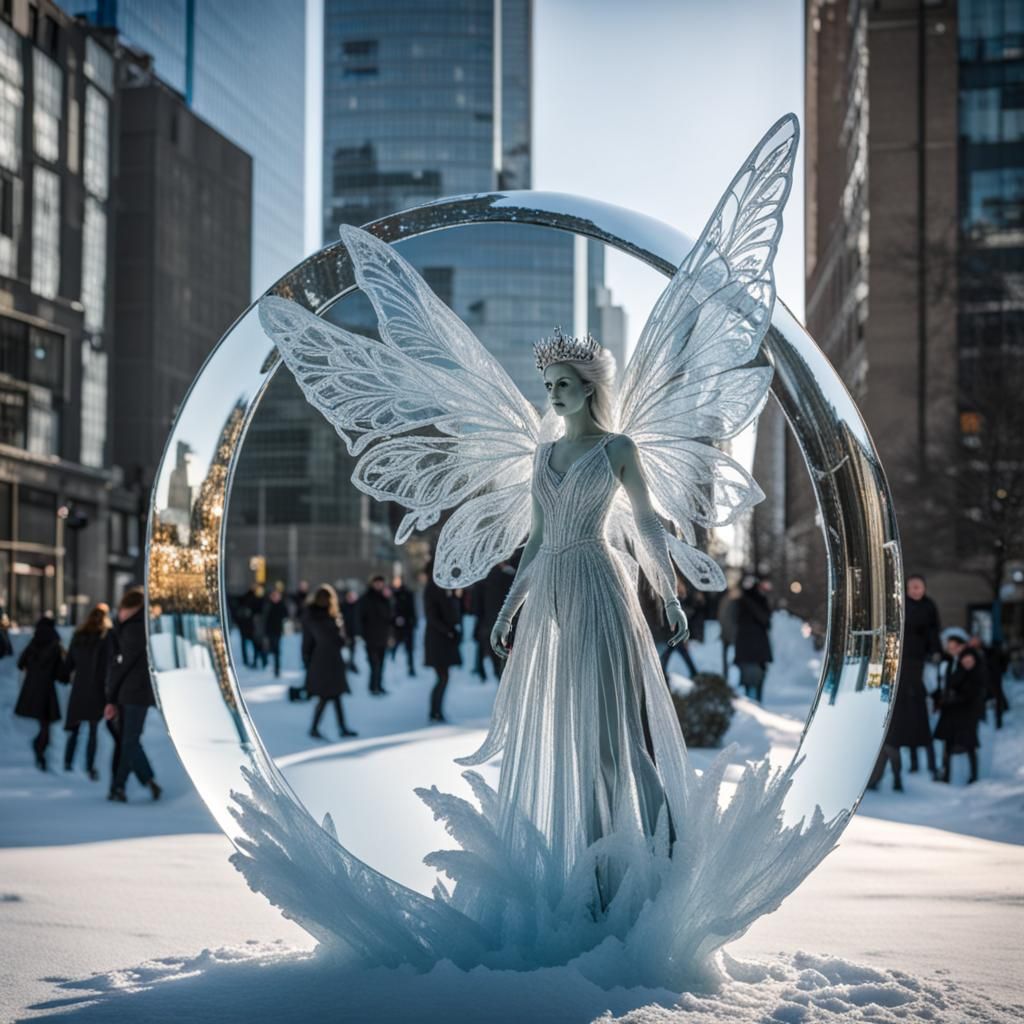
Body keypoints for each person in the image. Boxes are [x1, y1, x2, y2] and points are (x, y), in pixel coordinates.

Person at [105, 587, 162, 802]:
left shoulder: (135, 629)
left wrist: (110, 698)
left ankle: (118, 787)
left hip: (132, 694)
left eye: (122, 608)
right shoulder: (138, 626)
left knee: (128, 741)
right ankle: (147, 780)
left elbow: (122, 665)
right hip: (133, 694)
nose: (119, 613)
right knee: (129, 740)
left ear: (132, 608)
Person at [60, 603, 113, 779]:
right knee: (93, 730)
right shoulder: (106, 637)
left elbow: (68, 666)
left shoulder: (78, 636)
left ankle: (67, 764)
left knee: (75, 728)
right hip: (97, 689)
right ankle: (90, 767)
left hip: (79, 688)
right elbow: (109, 665)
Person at [302, 584, 357, 739]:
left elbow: (307, 642)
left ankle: (339, 727)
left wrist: (306, 660)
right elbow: (334, 639)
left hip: (325, 660)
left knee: (334, 696)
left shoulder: (318, 616)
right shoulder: (323, 618)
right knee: (328, 696)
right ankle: (318, 728)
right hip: (326, 661)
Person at [14, 616, 66, 770]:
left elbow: (20, 663)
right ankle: (40, 750)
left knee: (43, 725)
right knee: (46, 725)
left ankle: (39, 750)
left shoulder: (33, 643)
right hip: (46, 690)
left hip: (30, 689)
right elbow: (60, 673)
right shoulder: (55, 646)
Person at [934, 630, 983, 784]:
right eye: (949, 646)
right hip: (952, 710)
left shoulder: (972, 665)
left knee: (969, 744)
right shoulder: (949, 664)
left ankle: (974, 776)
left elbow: (972, 690)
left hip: (966, 712)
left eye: (954, 646)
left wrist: (953, 698)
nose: (951, 649)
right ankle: (946, 774)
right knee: (948, 743)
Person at [424, 567, 462, 722]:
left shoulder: (446, 588)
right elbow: (432, 616)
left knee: (443, 677)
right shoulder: (433, 589)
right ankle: (435, 711)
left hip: (444, 639)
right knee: (442, 677)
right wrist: (448, 631)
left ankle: (436, 711)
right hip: (437, 640)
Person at [734, 576, 773, 703]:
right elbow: (766, 620)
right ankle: (755, 705)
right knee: (754, 678)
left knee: (751, 678)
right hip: (754, 647)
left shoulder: (741, 601)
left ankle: (753, 705)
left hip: (748, 646)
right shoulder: (755, 600)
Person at [359, 576, 393, 695]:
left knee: (381, 663)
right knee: (374, 664)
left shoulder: (385, 598)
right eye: (377, 583)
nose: (379, 585)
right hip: (370, 637)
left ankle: (378, 685)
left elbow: (390, 617)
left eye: (381, 583)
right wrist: (362, 635)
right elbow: (359, 617)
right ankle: (373, 687)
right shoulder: (366, 598)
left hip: (382, 637)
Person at [390, 574, 417, 677]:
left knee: (409, 648)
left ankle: (411, 668)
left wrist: (413, 622)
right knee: (395, 645)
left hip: (407, 625)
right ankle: (392, 662)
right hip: (395, 626)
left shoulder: (408, 593)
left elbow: (412, 609)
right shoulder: (391, 593)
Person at [264, 587, 288, 678]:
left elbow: (286, 616)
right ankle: (267, 665)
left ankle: (277, 669)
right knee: (269, 649)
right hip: (269, 630)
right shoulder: (268, 605)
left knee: (276, 650)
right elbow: (265, 618)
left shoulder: (282, 605)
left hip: (277, 631)